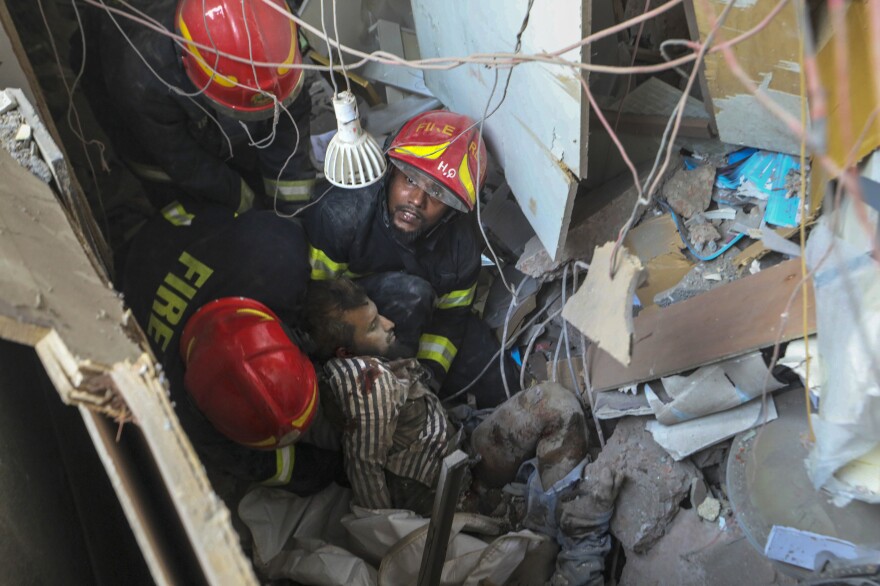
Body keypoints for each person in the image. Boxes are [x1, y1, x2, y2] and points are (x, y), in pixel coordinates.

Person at [303, 278, 621, 585]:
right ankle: (571, 537)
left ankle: (550, 521)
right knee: (542, 543)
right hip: (452, 500)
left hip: (460, 455)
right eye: (373, 326)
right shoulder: (367, 387)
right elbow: (365, 466)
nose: (389, 324)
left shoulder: (368, 364)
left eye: (378, 315)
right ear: (344, 353)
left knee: (550, 402)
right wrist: (394, 531)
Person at [122, 198, 341, 497]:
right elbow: (253, 463)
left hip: (173, 232)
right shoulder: (182, 409)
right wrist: (330, 469)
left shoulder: (278, 253)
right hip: (148, 244)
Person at [303, 110, 516, 408]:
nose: (416, 200)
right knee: (412, 294)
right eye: (410, 179)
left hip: (418, 321)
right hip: (355, 324)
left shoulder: (462, 249)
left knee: (500, 379)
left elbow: (449, 322)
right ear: (390, 172)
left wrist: (427, 379)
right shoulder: (341, 216)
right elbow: (317, 302)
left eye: (437, 191)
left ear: (452, 207)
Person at [86, 0, 315, 213]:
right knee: (183, 200)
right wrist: (247, 204)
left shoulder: (275, 21)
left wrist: (293, 207)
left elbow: (290, 114)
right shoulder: (142, 78)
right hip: (140, 115)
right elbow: (183, 160)